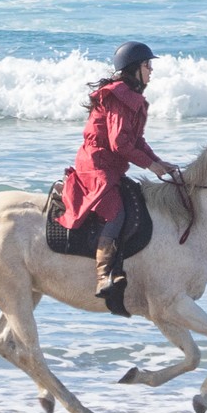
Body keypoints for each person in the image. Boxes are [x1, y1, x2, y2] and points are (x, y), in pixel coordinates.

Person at [56, 40, 182, 294]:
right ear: (135, 68)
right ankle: (103, 275)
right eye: (148, 65)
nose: (151, 71)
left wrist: (158, 162)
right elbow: (119, 144)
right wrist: (150, 166)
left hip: (111, 165)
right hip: (96, 164)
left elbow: (136, 141)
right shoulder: (120, 96)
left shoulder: (131, 97)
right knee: (116, 212)